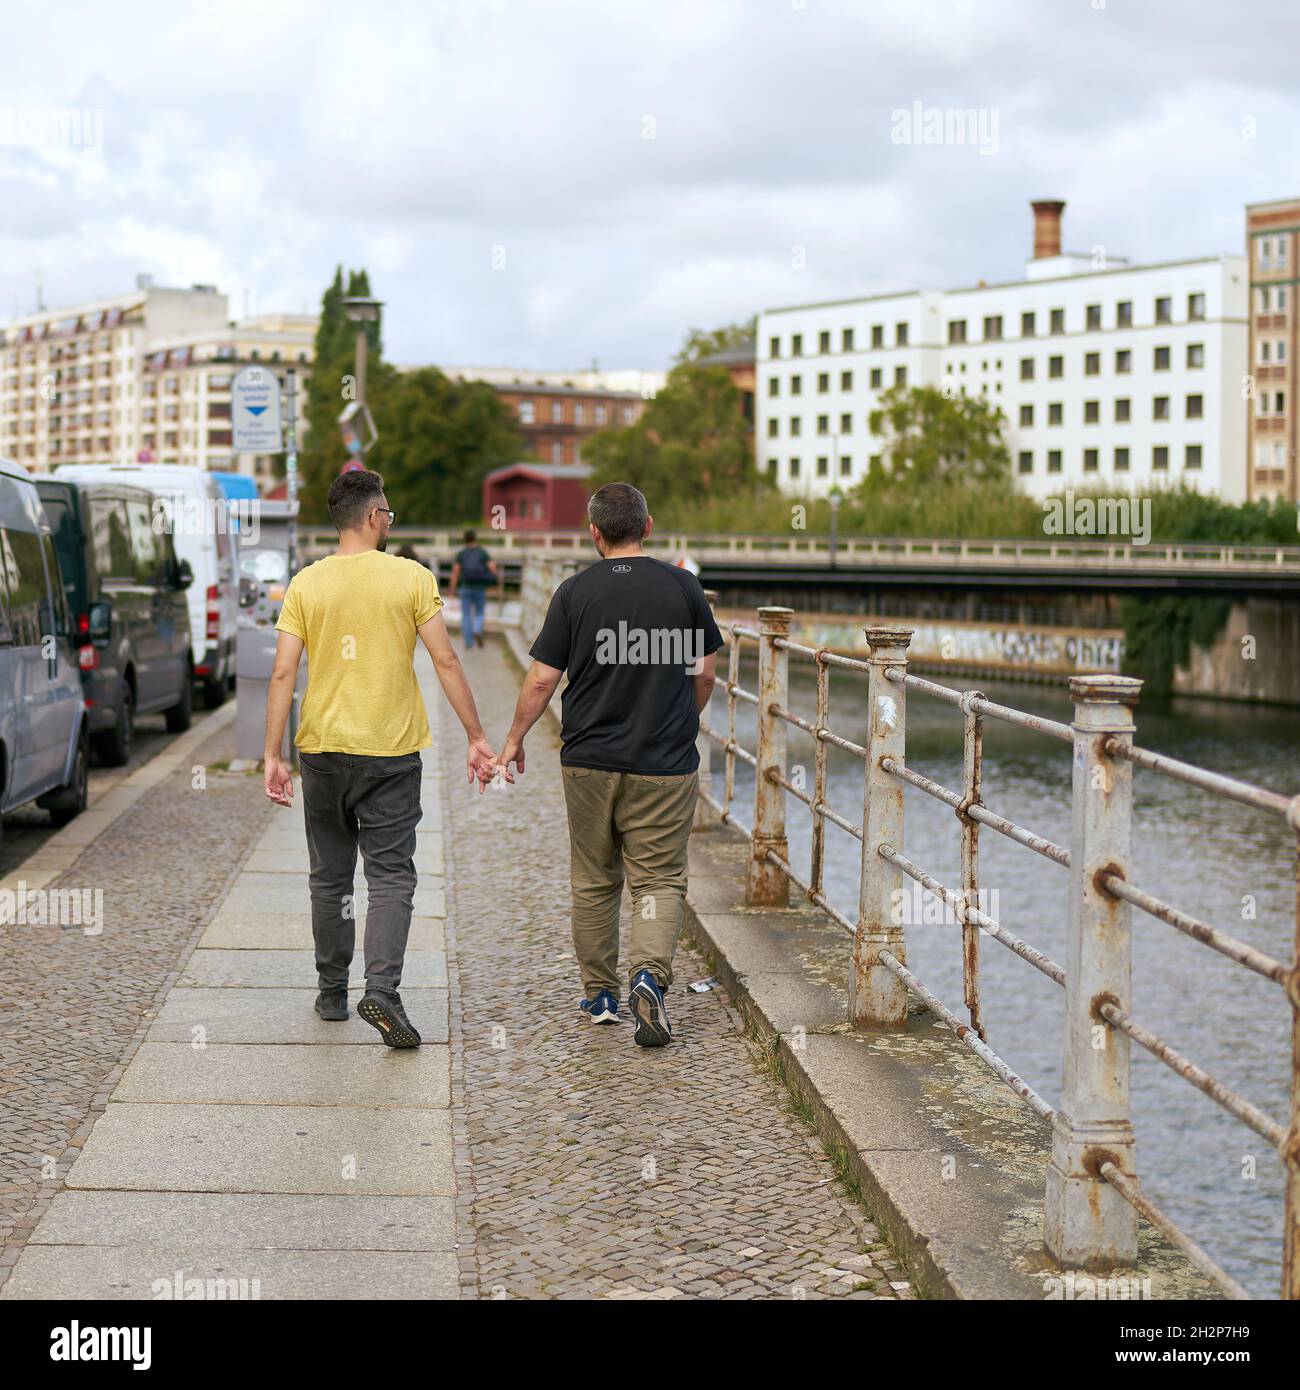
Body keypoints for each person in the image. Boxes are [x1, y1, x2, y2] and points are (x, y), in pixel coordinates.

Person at [264, 469, 496, 1048]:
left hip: (322, 750)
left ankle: (332, 992)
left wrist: (272, 754)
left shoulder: (306, 584)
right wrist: (475, 735)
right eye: (387, 513)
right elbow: (445, 661)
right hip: (391, 751)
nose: (389, 521)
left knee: (330, 876)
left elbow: (283, 671)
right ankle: (384, 991)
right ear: (372, 517)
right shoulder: (411, 578)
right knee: (391, 875)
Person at [494, 482, 722, 1047]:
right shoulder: (684, 587)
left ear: (594, 533)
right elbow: (706, 674)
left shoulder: (574, 593)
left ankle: (601, 996)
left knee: (595, 879)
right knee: (658, 878)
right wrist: (678, 722)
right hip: (664, 763)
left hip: (589, 760)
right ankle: (649, 977)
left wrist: (514, 740)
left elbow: (544, 678)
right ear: (647, 527)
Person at [448, 528, 498, 650]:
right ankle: (477, 629)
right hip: (480, 588)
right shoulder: (482, 552)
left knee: (466, 614)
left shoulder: (462, 553)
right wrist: (493, 582)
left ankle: (468, 642)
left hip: (465, 587)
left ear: (465, 539)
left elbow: (455, 573)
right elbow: (493, 568)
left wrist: (452, 589)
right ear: (475, 538)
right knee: (480, 612)